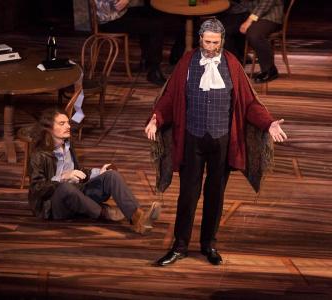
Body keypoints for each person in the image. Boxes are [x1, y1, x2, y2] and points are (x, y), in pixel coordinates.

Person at [145, 19, 287, 266]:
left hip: (222, 140)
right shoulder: (187, 63)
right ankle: (179, 246)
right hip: (193, 138)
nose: (211, 47)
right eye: (207, 41)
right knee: (188, 195)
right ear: (201, 39)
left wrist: (269, 123)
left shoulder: (232, 64)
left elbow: (249, 103)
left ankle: (208, 244)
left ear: (222, 41)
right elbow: (170, 97)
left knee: (215, 195)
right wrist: (156, 119)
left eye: (216, 42)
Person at [28, 107, 161, 234]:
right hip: (54, 206)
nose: (68, 126)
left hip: (77, 194)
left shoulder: (67, 146)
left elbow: (79, 173)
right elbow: (37, 188)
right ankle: (104, 212)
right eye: (62, 123)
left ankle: (138, 218)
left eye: (68, 122)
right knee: (65, 188)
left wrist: (99, 172)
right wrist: (62, 177)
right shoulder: (39, 155)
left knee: (111, 176)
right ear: (49, 128)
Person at [94, 0, 167, 85]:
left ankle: (146, 59)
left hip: (116, 14)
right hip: (110, 20)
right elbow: (118, 5)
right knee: (156, 26)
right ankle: (154, 71)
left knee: (150, 12)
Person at [220, 0, 284, 83]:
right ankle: (236, 65)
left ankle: (269, 70)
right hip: (248, 13)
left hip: (269, 16)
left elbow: (264, 5)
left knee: (254, 35)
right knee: (224, 30)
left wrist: (249, 21)